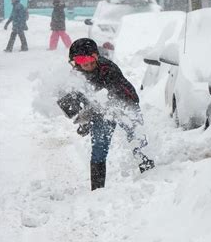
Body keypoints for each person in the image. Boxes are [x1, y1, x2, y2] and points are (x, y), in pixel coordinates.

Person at [63, 38, 155, 190]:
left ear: (96, 56)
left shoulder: (108, 68)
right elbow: (74, 102)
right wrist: (83, 120)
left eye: (91, 59)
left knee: (136, 137)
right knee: (99, 146)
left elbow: (111, 96)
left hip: (125, 104)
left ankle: (149, 174)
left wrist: (91, 112)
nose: (88, 64)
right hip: (99, 111)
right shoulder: (75, 77)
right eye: (81, 60)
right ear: (74, 62)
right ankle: (97, 190)